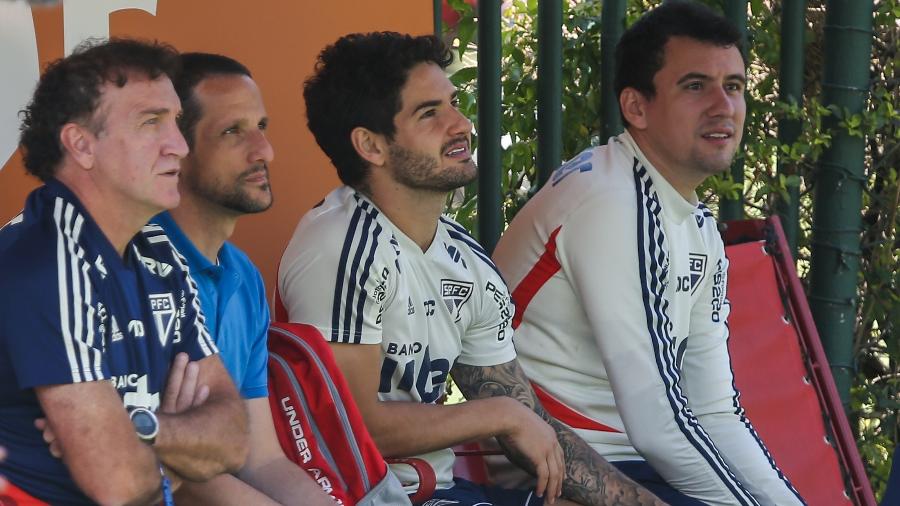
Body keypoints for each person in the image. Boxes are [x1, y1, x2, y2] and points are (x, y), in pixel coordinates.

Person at [278, 31, 664, 506]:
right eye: (430, 113)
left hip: (445, 492)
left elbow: (528, 424)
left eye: (454, 104)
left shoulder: (467, 261)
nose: (461, 124)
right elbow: (352, 427)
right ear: (371, 146)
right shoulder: (339, 242)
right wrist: (498, 415)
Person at [491, 2, 805, 505]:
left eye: (735, 86)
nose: (724, 106)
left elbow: (714, 409)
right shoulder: (611, 200)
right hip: (554, 474)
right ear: (636, 107)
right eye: (696, 85)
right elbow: (658, 420)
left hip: (632, 463)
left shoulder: (693, 220)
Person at [0, 38, 248, 505]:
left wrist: (140, 423)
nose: (179, 146)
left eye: (175, 121)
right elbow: (120, 484)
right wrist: (181, 444)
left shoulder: (158, 247)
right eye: (151, 123)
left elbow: (233, 439)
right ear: (81, 144)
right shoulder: (44, 260)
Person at [155, 51, 336, 505]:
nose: (264, 152)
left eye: (262, 127)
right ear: (176, 149)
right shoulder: (133, 269)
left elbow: (261, 460)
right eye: (233, 131)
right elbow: (181, 472)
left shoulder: (243, 276)